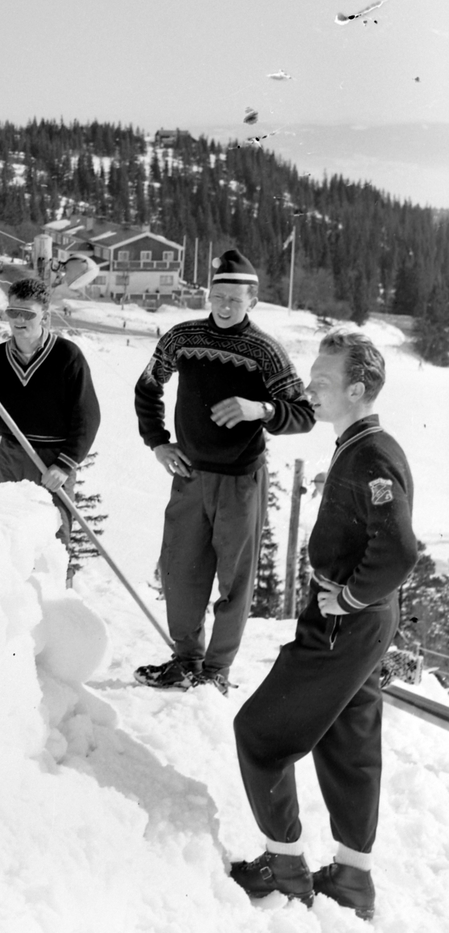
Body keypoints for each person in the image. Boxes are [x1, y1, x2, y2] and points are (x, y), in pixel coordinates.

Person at [229, 331, 418, 919]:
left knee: (259, 735)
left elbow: (399, 552)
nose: (309, 387)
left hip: (345, 622)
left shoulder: (372, 454)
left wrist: (353, 597)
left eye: (322, 381)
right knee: (349, 742)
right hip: (362, 624)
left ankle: (285, 868)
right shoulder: (360, 444)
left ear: (357, 389)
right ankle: (353, 879)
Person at [133, 249, 314, 693]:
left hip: (240, 482)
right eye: (218, 296)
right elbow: (147, 387)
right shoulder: (181, 337)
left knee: (234, 581)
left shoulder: (266, 351)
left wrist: (262, 408)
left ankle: (216, 672)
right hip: (190, 475)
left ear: (252, 300)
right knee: (179, 572)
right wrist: (157, 442)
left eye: (235, 298)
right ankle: (185, 660)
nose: (225, 305)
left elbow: (303, 414)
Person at [0, 277, 101, 539]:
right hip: (11, 455)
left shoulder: (67, 356)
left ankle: (57, 582)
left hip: (53, 460)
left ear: (44, 315)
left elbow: (87, 417)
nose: (18, 320)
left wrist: (65, 464)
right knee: (11, 534)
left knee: (54, 538)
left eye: (27, 314)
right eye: (13, 312)